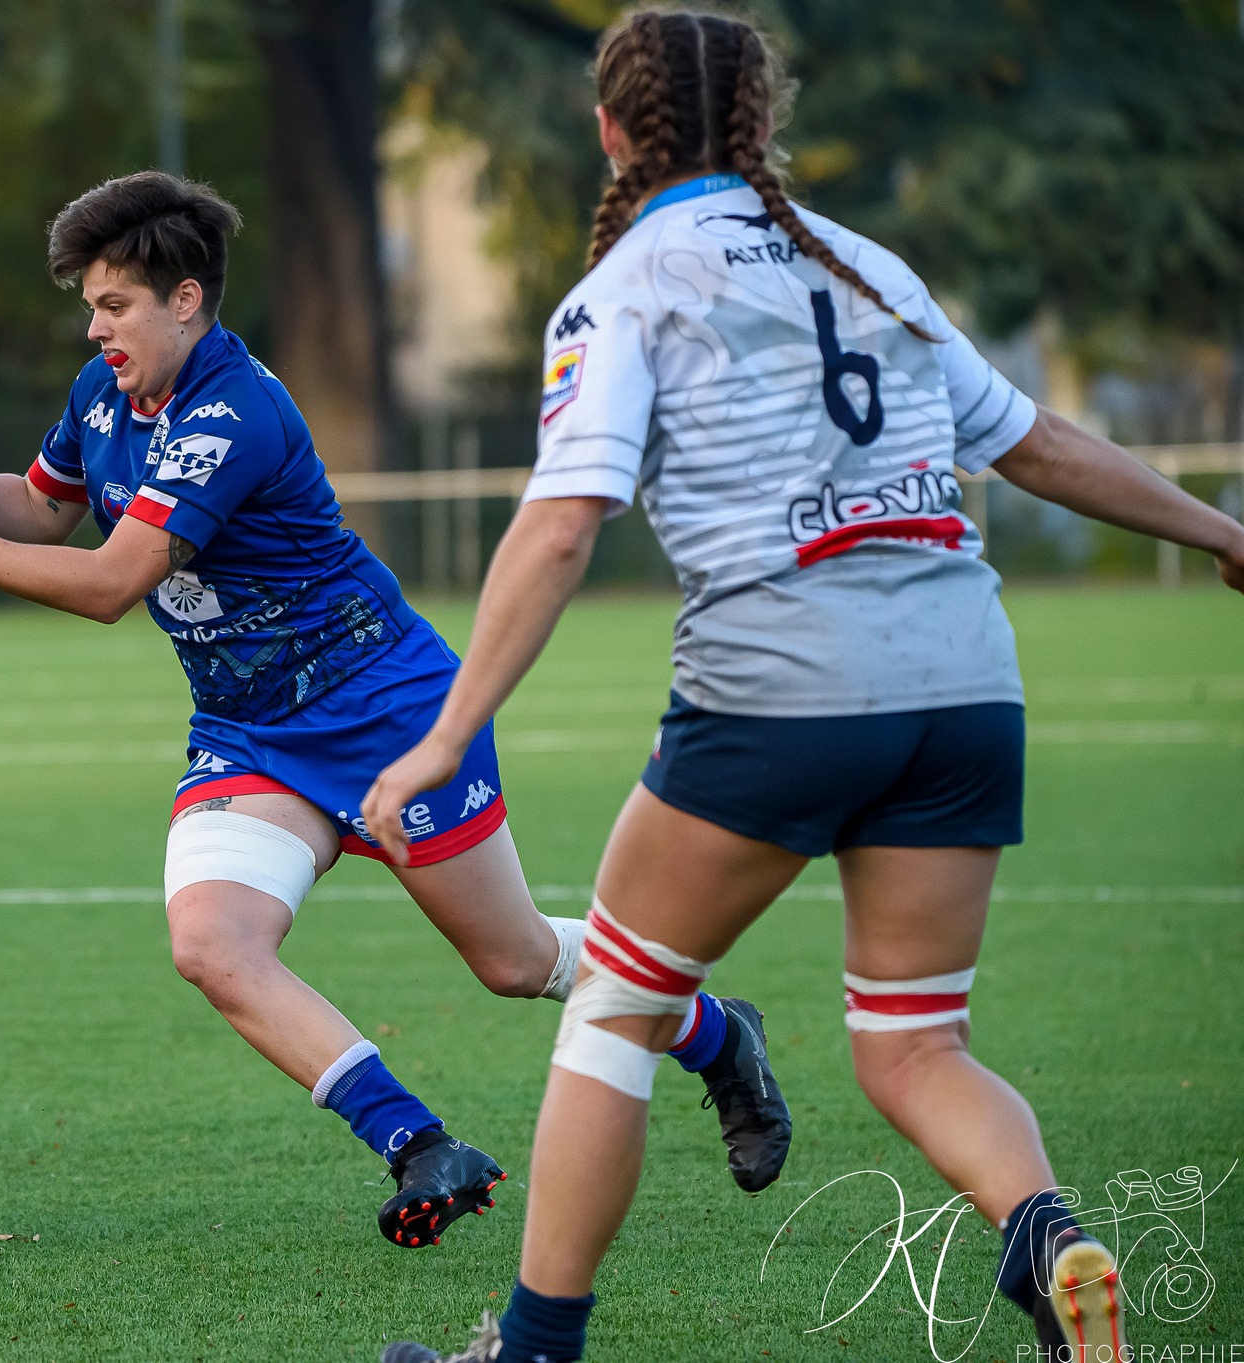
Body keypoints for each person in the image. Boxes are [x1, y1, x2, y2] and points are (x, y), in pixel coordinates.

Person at [368, 11, 1244, 1361]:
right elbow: (1038, 445)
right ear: (765, 123)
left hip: (779, 692)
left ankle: (533, 1349)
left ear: (608, 131)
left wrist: (447, 736)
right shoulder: (869, 263)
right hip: (963, 684)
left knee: (615, 1008)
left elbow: (559, 525)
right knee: (914, 1043)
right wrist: (1223, 534)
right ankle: (1047, 1236)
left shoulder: (625, 287)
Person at [0, 171, 789, 1250]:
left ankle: (716, 1033)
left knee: (514, 962)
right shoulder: (102, 393)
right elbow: (47, 509)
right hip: (248, 732)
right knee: (212, 942)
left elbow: (109, 582)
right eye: (90, 307)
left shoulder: (233, 412)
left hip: (387, 711)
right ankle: (417, 1144)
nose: (95, 328)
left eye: (114, 306)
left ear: (185, 299)